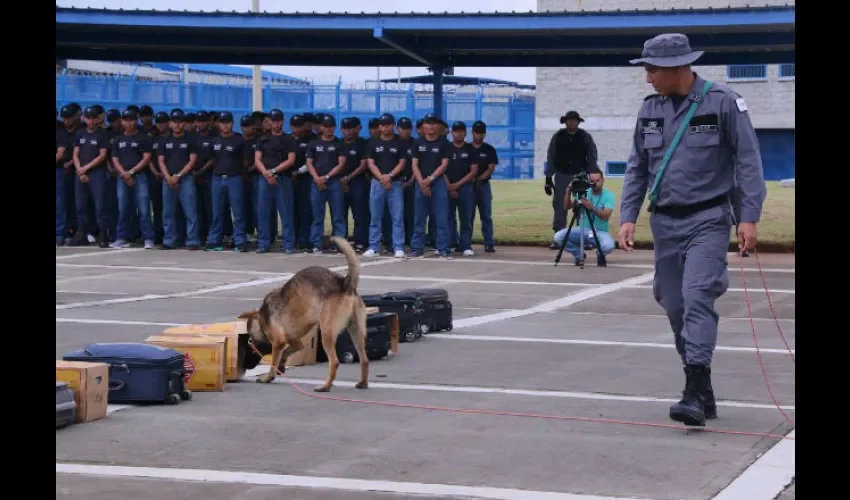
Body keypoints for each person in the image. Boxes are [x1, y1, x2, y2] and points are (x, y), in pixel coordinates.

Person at [619, 33, 765, 427]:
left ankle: (693, 391)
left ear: (676, 67)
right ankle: (702, 389)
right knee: (674, 304)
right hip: (665, 222)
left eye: (652, 69)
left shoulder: (724, 102)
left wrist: (748, 215)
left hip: (709, 218)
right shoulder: (649, 109)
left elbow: (748, 160)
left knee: (697, 295)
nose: (648, 77)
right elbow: (637, 167)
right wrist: (628, 215)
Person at [545, 110, 599, 249]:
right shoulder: (558, 137)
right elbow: (551, 156)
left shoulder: (585, 137)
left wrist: (592, 173)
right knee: (559, 205)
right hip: (562, 174)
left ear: (578, 122)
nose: (571, 123)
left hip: (580, 174)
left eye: (574, 120)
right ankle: (559, 237)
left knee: (582, 205)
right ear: (565, 122)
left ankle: (583, 238)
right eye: (569, 120)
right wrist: (548, 178)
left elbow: (592, 156)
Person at [363, 113, 407, 258]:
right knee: (375, 217)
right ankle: (374, 247)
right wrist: (382, 177)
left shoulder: (400, 142)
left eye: (388, 125)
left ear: (393, 125)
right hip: (377, 183)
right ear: (379, 127)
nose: (385, 127)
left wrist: (390, 176)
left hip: (395, 183)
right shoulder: (373, 142)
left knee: (397, 217)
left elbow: (402, 163)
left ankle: (398, 246)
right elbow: (370, 163)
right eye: (382, 125)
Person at [254, 108, 298, 254]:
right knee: (263, 212)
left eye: (278, 121)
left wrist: (273, 171)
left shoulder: (289, 139)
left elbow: (291, 160)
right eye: (273, 121)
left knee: (286, 212)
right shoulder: (262, 139)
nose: (276, 124)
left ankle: (288, 244)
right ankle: (263, 242)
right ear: (269, 122)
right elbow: (257, 160)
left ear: (283, 121)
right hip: (265, 179)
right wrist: (266, 173)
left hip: (282, 178)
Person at [409, 113, 453, 259]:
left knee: (441, 217)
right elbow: (414, 164)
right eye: (428, 123)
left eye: (434, 123)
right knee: (419, 217)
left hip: (437, 182)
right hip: (420, 183)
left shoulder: (444, 143)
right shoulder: (417, 143)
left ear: (438, 126)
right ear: (423, 126)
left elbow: (444, 164)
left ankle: (443, 248)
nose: (431, 126)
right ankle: (417, 247)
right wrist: (422, 182)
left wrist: (430, 179)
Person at [553, 171, 616, 265]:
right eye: (592, 181)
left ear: (603, 180)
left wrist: (592, 207)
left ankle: (600, 254)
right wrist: (568, 191)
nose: (595, 184)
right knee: (558, 236)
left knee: (609, 246)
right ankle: (579, 255)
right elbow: (567, 206)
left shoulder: (609, 195)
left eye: (597, 181)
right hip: (582, 230)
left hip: (600, 232)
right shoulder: (584, 192)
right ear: (588, 181)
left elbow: (605, 216)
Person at [305, 114, 347, 253]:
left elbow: (341, 164)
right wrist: (317, 178)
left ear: (335, 127)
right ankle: (316, 244)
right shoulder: (313, 143)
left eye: (331, 126)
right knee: (317, 215)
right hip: (316, 183)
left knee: (338, 215)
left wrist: (327, 177)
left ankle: (339, 244)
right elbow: (309, 163)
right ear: (321, 127)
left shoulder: (339, 143)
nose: (329, 129)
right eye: (326, 126)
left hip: (334, 182)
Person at [469, 120, 498, 253]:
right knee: (468, 216)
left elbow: (491, 167)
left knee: (486, 215)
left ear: (485, 134)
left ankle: (489, 242)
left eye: (481, 133)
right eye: (476, 133)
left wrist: (479, 179)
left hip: (484, 185)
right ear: (472, 132)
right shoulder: (467, 148)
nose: (479, 135)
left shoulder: (489, 149)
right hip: (469, 186)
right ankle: (466, 243)